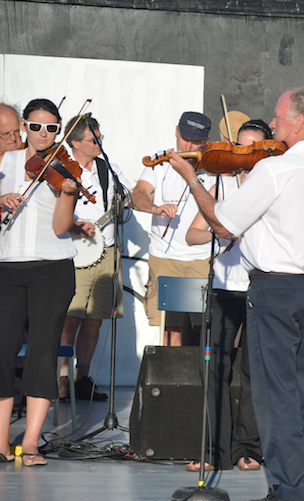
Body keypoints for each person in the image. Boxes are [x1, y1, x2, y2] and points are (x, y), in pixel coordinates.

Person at [168, 88, 304, 501]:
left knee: (276, 394)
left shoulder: (276, 170)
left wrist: (191, 179)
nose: (275, 121)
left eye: (280, 115)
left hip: (277, 289)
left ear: (299, 121)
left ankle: (289, 491)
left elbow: (224, 224)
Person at [181, 119, 270, 472]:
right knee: (214, 367)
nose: (246, 156)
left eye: (255, 149)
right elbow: (192, 235)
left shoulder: (272, 186)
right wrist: (222, 234)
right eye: (241, 147)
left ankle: (248, 447)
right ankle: (213, 448)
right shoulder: (221, 184)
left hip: (260, 287)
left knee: (254, 371)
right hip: (223, 286)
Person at [0, 98, 79, 466]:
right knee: (2, 349)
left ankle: (30, 441)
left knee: (43, 350)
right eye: (35, 127)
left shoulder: (64, 168)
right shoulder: (6, 159)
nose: (43, 134)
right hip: (6, 266)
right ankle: (0, 442)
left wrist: (68, 192)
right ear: (24, 128)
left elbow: (61, 228)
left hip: (52, 267)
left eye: (51, 128)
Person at [58, 115, 131, 402]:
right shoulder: (61, 168)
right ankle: (62, 379)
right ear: (75, 142)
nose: (99, 143)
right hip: (75, 253)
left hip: (107, 251)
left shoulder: (107, 168)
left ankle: (83, 378)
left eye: (100, 137)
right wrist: (76, 225)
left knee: (96, 320)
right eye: (93, 139)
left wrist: (151, 201)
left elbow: (129, 195)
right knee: (70, 319)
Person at [131, 111, 216, 346]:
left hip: (202, 258)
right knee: (169, 329)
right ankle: (171, 380)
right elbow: (138, 194)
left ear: (206, 142)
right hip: (165, 257)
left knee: (202, 329)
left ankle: (198, 381)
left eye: (196, 142)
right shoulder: (159, 162)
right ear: (176, 132)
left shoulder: (213, 166)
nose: (188, 146)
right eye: (184, 138)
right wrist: (154, 208)